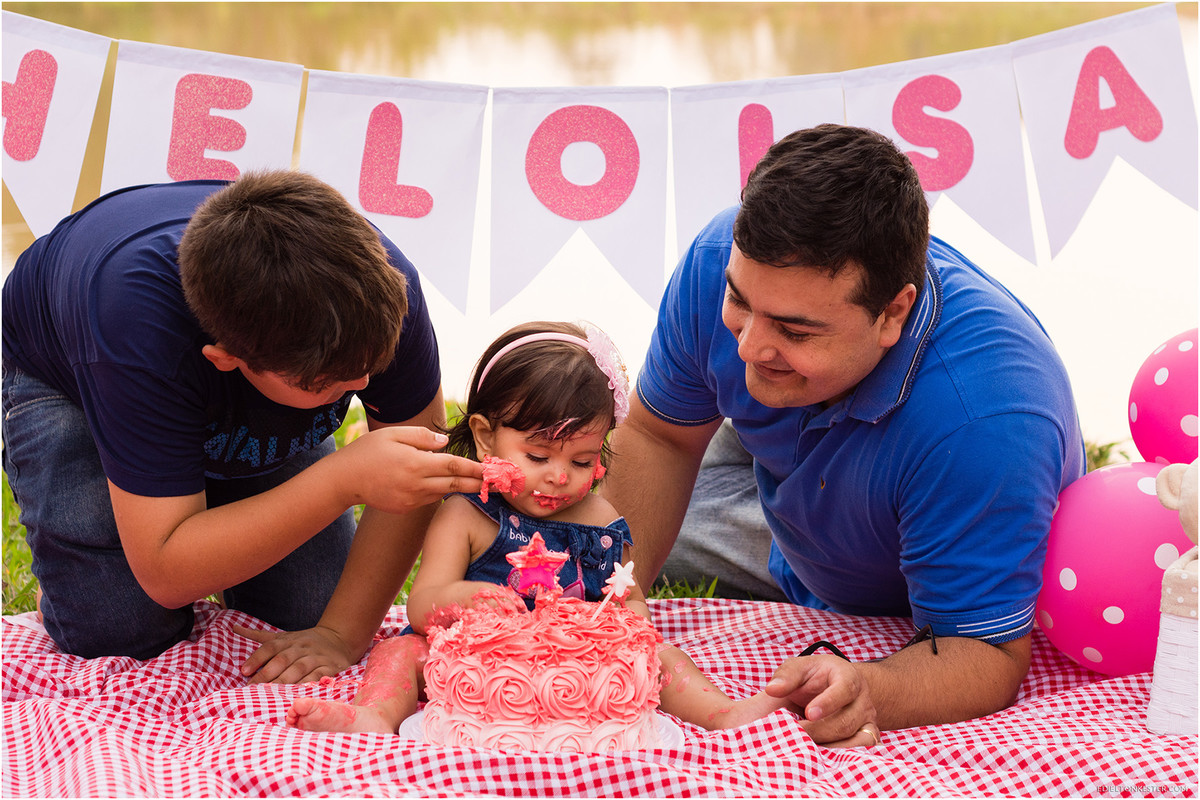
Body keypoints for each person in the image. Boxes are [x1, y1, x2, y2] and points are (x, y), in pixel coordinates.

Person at [602, 124, 1086, 748]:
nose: (747, 346)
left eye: (795, 331)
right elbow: (662, 438)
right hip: (790, 468)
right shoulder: (718, 259)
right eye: (738, 301)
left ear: (892, 313)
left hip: (916, 529)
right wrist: (609, 599)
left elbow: (981, 651)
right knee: (578, 540)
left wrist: (870, 689)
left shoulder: (987, 420)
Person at [1, 170, 482, 678]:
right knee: (123, 634)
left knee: (310, 613)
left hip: (244, 356)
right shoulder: (132, 325)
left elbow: (424, 473)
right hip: (67, 379)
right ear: (226, 359)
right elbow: (166, 572)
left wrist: (341, 635)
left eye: (371, 367)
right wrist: (341, 481)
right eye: (328, 383)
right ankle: (92, 549)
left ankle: (198, 493)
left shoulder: (377, 288)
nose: (363, 381)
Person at [287, 321, 786, 735]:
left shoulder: (603, 521)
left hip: (580, 670)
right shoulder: (468, 515)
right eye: (538, 455)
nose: (558, 476)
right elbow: (422, 604)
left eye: (582, 459)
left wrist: (625, 622)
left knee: (663, 654)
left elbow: (629, 597)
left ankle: (724, 714)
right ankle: (376, 714)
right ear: (486, 438)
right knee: (400, 649)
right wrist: (464, 599)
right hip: (475, 665)